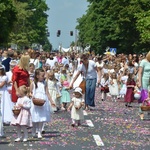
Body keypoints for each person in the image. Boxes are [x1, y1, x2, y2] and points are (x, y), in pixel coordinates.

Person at [30, 68, 55, 138]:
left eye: (44, 75)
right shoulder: (33, 83)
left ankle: (39, 131)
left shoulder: (45, 83)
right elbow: (30, 92)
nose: (43, 77)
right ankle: (34, 129)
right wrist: (32, 96)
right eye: (42, 75)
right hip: (35, 101)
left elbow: (47, 93)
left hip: (43, 101)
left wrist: (51, 101)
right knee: (35, 116)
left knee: (41, 117)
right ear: (37, 76)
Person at [138, 51, 150, 119]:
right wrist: (139, 82)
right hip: (144, 80)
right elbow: (140, 73)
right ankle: (141, 112)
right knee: (143, 96)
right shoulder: (143, 62)